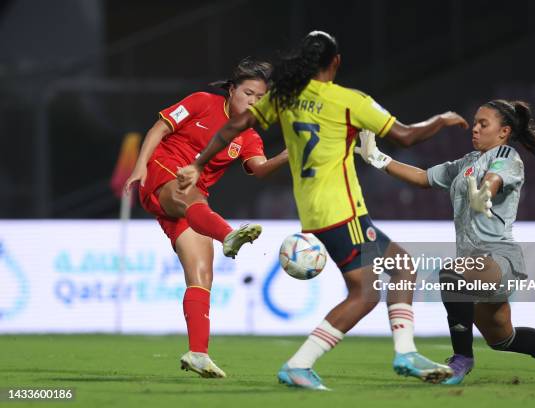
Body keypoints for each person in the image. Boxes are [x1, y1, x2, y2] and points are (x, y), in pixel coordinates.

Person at [176, 31, 470, 390]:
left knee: (402, 266)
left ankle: (405, 351)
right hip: (342, 210)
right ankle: (300, 363)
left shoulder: (285, 98)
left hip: (320, 211)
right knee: (365, 294)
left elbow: (236, 125)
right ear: (335, 63)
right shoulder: (350, 100)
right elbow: (407, 135)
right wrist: (442, 119)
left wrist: (198, 163)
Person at [356, 99, 535, 384]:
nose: (475, 129)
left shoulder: (507, 155)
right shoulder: (468, 162)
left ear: (503, 132)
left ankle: (462, 359)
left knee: (450, 274)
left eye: (484, 124)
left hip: (499, 259)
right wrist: (378, 158)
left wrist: (485, 192)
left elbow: (495, 177)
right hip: (476, 265)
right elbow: (423, 177)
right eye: (474, 123)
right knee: (503, 338)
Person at [123, 57, 288, 379]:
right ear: (231, 90)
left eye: (260, 97)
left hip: (192, 205)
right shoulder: (201, 103)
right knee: (190, 196)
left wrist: (286, 155)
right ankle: (227, 234)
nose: (254, 101)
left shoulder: (249, 135)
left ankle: (198, 353)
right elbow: (160, 127)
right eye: (248, 93)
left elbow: (260, 169)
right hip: (162, 173)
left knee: (201, 276)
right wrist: (140, 165)